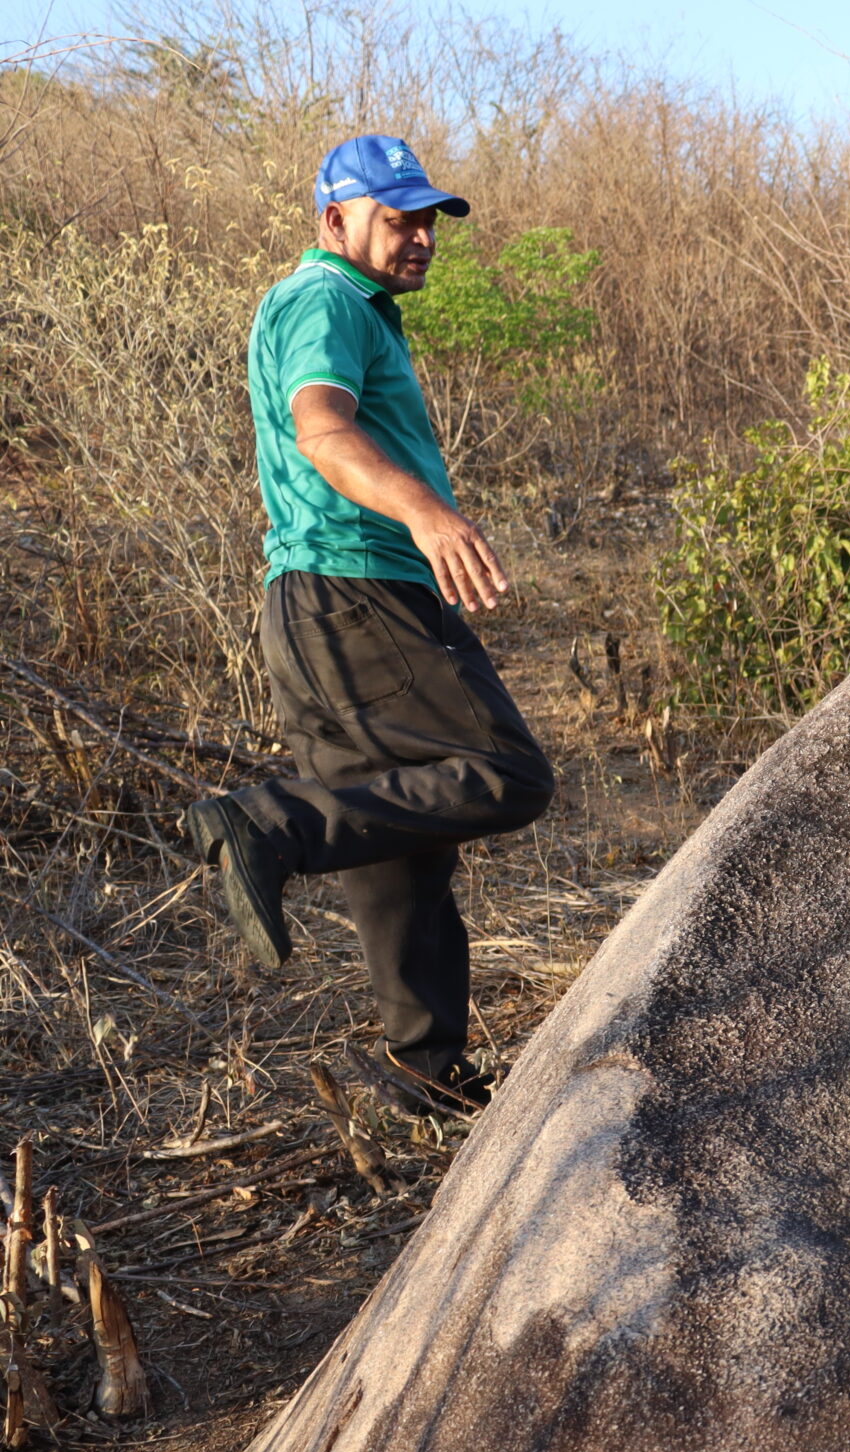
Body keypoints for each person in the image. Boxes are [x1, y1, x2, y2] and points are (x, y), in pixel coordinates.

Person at [182, 135, 553, 1115]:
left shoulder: (345, 307)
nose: (422, 237)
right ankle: (272, 824)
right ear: (334, 218)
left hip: (316, 605)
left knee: (400, 850)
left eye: (429, 219)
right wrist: (426, 513)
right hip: (356, 590)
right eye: (399, 219)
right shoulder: (327, 302)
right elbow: (323, 429)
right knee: (507, 773)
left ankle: (426, 1080)